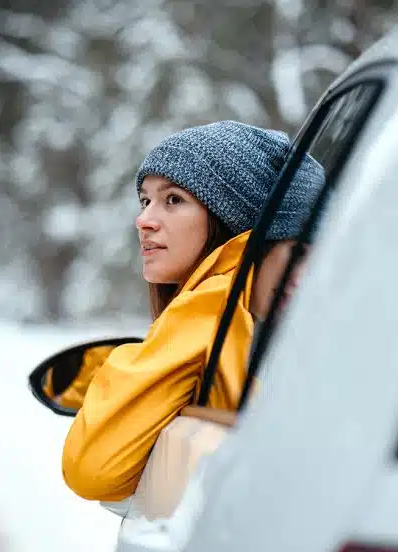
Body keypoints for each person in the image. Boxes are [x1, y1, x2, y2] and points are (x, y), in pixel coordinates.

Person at [61, 120, 325, 502]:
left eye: (173, 200)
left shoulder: (216, 318)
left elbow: (93, 471)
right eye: (145, 200)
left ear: (235, 220)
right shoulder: (245, 329)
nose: (144, 220)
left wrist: (208, 297)